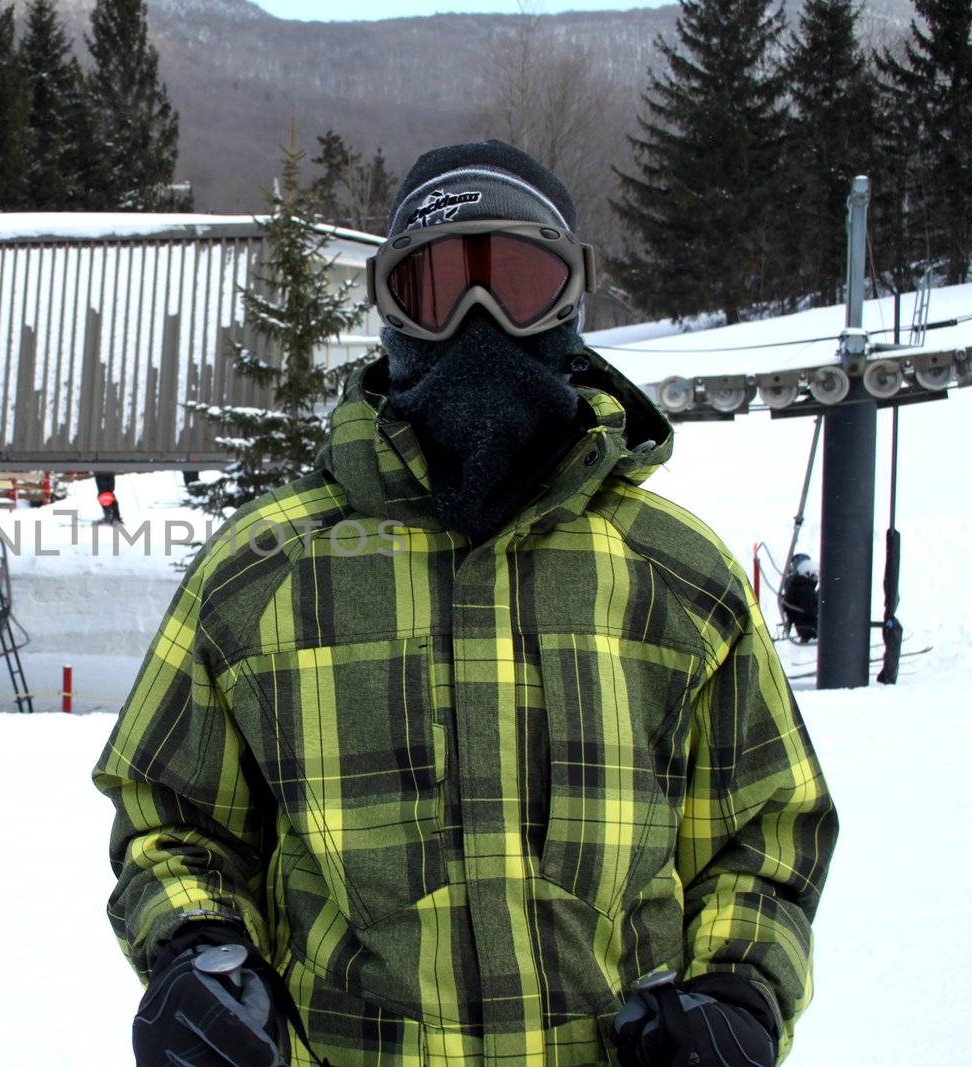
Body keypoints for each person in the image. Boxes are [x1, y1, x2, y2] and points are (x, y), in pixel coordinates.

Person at [95, 142, 836, 1067]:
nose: (478, 320)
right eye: (436, 288)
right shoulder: (264, 571)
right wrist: (198, 950)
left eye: (519, 280)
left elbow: (766, 827)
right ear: (389, 311)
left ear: (572, 299)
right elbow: (172, 815)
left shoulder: (675, 573)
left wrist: (738, 987)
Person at [782, 554, 819, 644]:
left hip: (805, 626)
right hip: (811, 628)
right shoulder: (803, 588)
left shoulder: (795, 585)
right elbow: (812, 609)